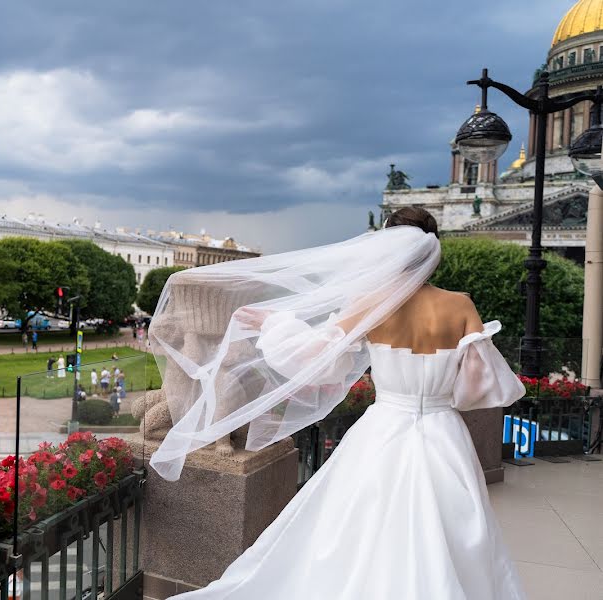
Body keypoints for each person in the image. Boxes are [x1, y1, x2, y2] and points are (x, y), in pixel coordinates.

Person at [160, 207, 527, 599]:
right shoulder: (461, 305)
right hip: (444, 434)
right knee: (452, 529)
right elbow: (483, 385)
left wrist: (273, 324)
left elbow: (319, 359)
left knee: (360, 525)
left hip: (383, 429)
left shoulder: (373, 304)